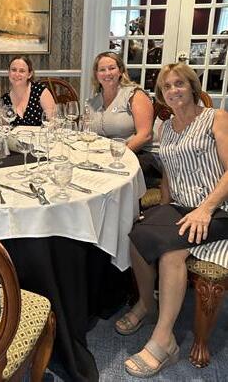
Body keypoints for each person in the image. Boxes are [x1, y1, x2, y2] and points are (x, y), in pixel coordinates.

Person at [115, 63, 228, 377]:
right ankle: (146, 304)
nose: (173, 90)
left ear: (192, 87)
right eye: (167, 86)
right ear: (162, 94)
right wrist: (160, 211)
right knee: (136, 234)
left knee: (171, 252)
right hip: (180, 206)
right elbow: (168, 173)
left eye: (179, 83)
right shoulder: (165, 127)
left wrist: (206, 208)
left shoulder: (217, 118)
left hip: (217, 208)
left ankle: (164, 341)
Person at [86, 51, 153, 153]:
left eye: (112, 68)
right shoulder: (92, 103)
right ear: (96, 75)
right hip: (105, 154)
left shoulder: (135, 95)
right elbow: (87, 132)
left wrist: (118, 154)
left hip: (139, 153)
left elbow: (145, 135)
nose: (107, 73)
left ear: (120, 71)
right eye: (102, 70)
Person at [1, 55, 55, 126]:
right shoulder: (5, 99)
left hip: (40, 133)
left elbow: (53, 122)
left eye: (22, 71)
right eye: (13, 70)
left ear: (29, 74)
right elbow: (3, 128)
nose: (17, 74)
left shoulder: (40, 90)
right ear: (9, 72)